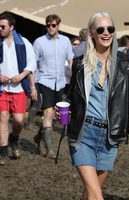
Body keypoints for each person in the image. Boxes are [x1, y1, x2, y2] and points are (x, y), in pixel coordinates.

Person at [61, 11, 129, 200]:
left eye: (110, 28)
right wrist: (62, 110)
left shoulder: (126, 63)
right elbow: (71, 97)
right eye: (101, 29)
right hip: (83, 134)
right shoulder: (80, 63)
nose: (106, 32)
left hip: (111, 138)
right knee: (97, 196)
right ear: (91, 33)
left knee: (90, 193)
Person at [33, 14, 74, 158]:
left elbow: (70, 59)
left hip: (61, 82)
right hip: (44, 80)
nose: (50, 28)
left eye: (53, 25)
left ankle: (39, 136)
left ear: (58, 26)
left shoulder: (66, 41)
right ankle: (50, 149)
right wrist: (33, 86)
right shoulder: (39, 42)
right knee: (48, 113)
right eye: (48, 25)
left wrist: (73, 77)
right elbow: (33, 63)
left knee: (56, 115)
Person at [0, 11, 37, 165]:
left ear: (12, 27)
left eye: (3, 26)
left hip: (19, 88)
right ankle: (3, 150)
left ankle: (14, 138)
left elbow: (31, 64)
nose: (0, 29)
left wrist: (22, 77)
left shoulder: (24, 43)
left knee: (19, 120)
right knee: (2, 118)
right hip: (2, 88)